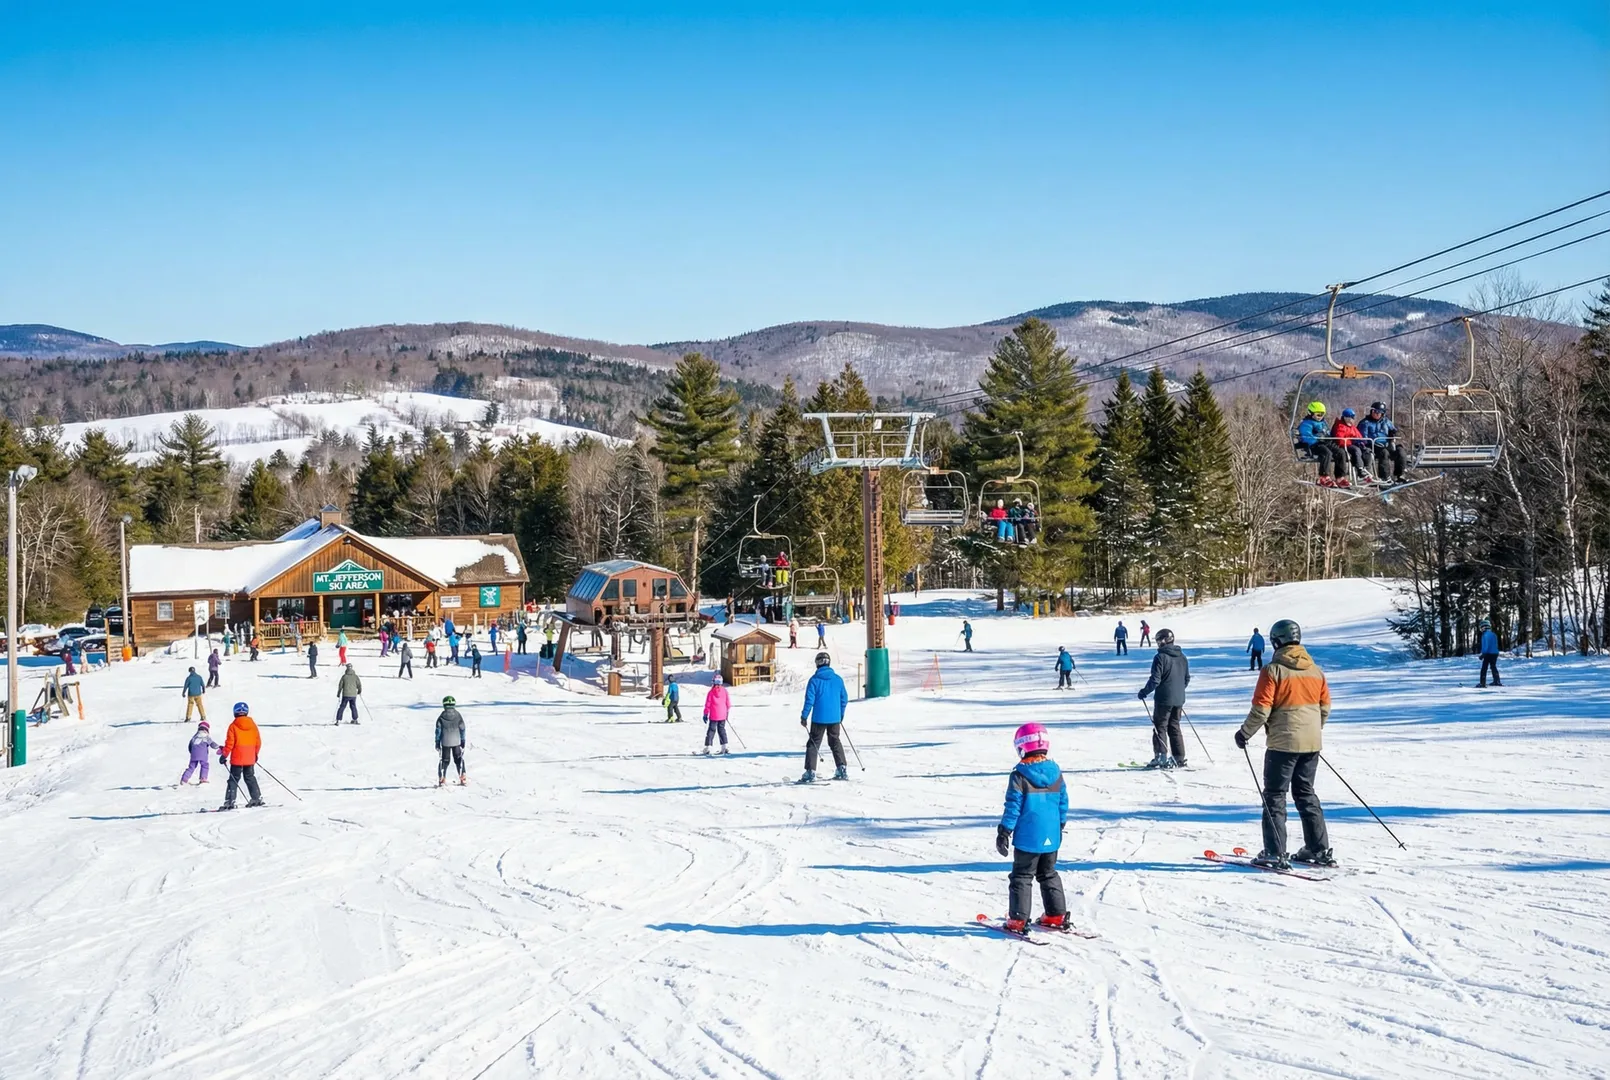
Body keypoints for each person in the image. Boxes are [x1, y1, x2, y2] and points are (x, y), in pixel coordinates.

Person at [1235, 619, 1334, 869]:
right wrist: (1310, 731)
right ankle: (1318, 849)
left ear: (1276, 641)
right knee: (1306, 794)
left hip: (1282, 745)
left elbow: (1261, 710)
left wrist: (1244, 733)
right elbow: (1325, 709)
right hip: (1312, 744)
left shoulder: (1272, 670)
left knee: (1275, 796)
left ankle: (1274, 852)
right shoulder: (1316, 671)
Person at [995, 722, 1070, 934]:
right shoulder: (1056, 772)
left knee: (1021, 875)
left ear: (1021, 747)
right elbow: (1063, 801)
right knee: (1048, 873)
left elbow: (1013, 807)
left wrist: (1004, 831)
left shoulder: (1019, 775)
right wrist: (1060, 823)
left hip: (1028, 837)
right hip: (1051, 836)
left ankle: (1018, 919)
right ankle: (1056, 914)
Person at [1138, 628, 1190, 768]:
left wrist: (1144, 692)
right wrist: (1177, 691)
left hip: (1164, 699)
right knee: (1174, 726)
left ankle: (1161, 757)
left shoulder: (1160, 657)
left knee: (1160, 726)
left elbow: (1155, 680)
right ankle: (1179, 757)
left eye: (1158, 641)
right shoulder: (1182, 656)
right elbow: (1186, 679)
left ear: (1163, 641)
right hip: (1178, 699)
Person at [798, 651, 849, 783]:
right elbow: (844, 699)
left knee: (813, 744)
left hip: (819, 718)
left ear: (817, 664)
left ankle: (810, 772)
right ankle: (842, 768)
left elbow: (809, 700)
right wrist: (840, 714)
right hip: (835, 718)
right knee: (835, 741)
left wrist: (804, 716)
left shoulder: (814, 680)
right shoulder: (838, 679)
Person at [217, 701, 263, 810]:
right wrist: (255, 754)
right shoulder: (253, 726)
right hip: (249, 757)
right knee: (250, 777)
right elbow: (258, 742)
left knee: (233, 779)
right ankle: (256, 797)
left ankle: (230, 800)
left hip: (237, 758)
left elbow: (230, 743)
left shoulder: (233, 726)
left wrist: (224, 755)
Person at [1358, 400, 1408, 484]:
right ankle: (1385, 477)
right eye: (1374, 411)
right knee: (1383, 452)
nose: (1376, 414)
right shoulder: (1365, 423)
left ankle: (1400, 475)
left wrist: (1394, 433)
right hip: (1373, 446)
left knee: (1400, 451)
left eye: (1378, 412)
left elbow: (1395, 430)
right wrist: (1365, 445)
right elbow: (1362, 437)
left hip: (1387, 445)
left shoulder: (1386, 422)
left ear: (1382, 413)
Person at [1296, 401, 1343, 486]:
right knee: (1327, 453)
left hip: (1325, 442)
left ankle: (1340, 477)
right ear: (1311, 413)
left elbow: (1327, 433)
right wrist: (1318, 439)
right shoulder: (1307, 423)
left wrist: (1330, 439)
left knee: (1340, 452)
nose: (1320, 417)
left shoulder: (1323, 423)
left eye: (1322, 415)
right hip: (1314, 445)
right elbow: (1306, 436)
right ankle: (1323, 476)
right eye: (1318, 414)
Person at [1329, 408, 1369, 485]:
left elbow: (1359, 436)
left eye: (1353, 418)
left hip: (1350, 444)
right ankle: (1360, 470)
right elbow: (1340, 439)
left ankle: (1366, 471)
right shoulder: (1340, 425)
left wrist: (1361, 442)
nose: (1352, 420)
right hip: (1343, 445)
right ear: (1346, 418)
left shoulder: (1352, 427)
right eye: (1351, 418)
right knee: (1355, 450)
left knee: (1366, 451)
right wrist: (1352, 440)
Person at [435, 695, 467, 786]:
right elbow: (462, 728)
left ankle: (442, 778)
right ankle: (462, 775)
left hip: (445, 742)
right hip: (457, 741)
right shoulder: (458, 715)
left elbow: (438, 730)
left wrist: (437, 742)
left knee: (444, 760)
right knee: (458, 758)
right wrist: (463, 740)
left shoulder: (441, 717)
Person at [180, 720, 217, 785]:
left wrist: (192, 753)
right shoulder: (206, 736)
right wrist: (218, 747)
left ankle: (184, 779)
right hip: (203, 755)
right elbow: (212, 744)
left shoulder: (195, 736)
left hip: (194, 754)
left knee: (191, 767)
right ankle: (203, 779)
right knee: (204, 765)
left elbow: (190, 746)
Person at [702, 674, 731, 755]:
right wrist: (726, 712)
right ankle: (725, 746)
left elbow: (708, 704)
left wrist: (705, 714)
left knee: (711, 730)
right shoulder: (725, 691)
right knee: (722, 730)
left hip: (714, 715)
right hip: (722, 715)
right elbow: (728, 703)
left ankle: (708, 747)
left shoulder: (711, 692)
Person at [1478, 619, 1502, 688]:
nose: (1481, 629)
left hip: (1488, 653)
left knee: (1484, 668)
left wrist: (1483, 654)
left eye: (1481, 627)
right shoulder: (1493, 634)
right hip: (1495, 653)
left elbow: (1485, 645)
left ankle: (1482, 683)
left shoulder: (1484, 635)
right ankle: (1497, 681)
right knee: (1493, 667)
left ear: (1484, 627)